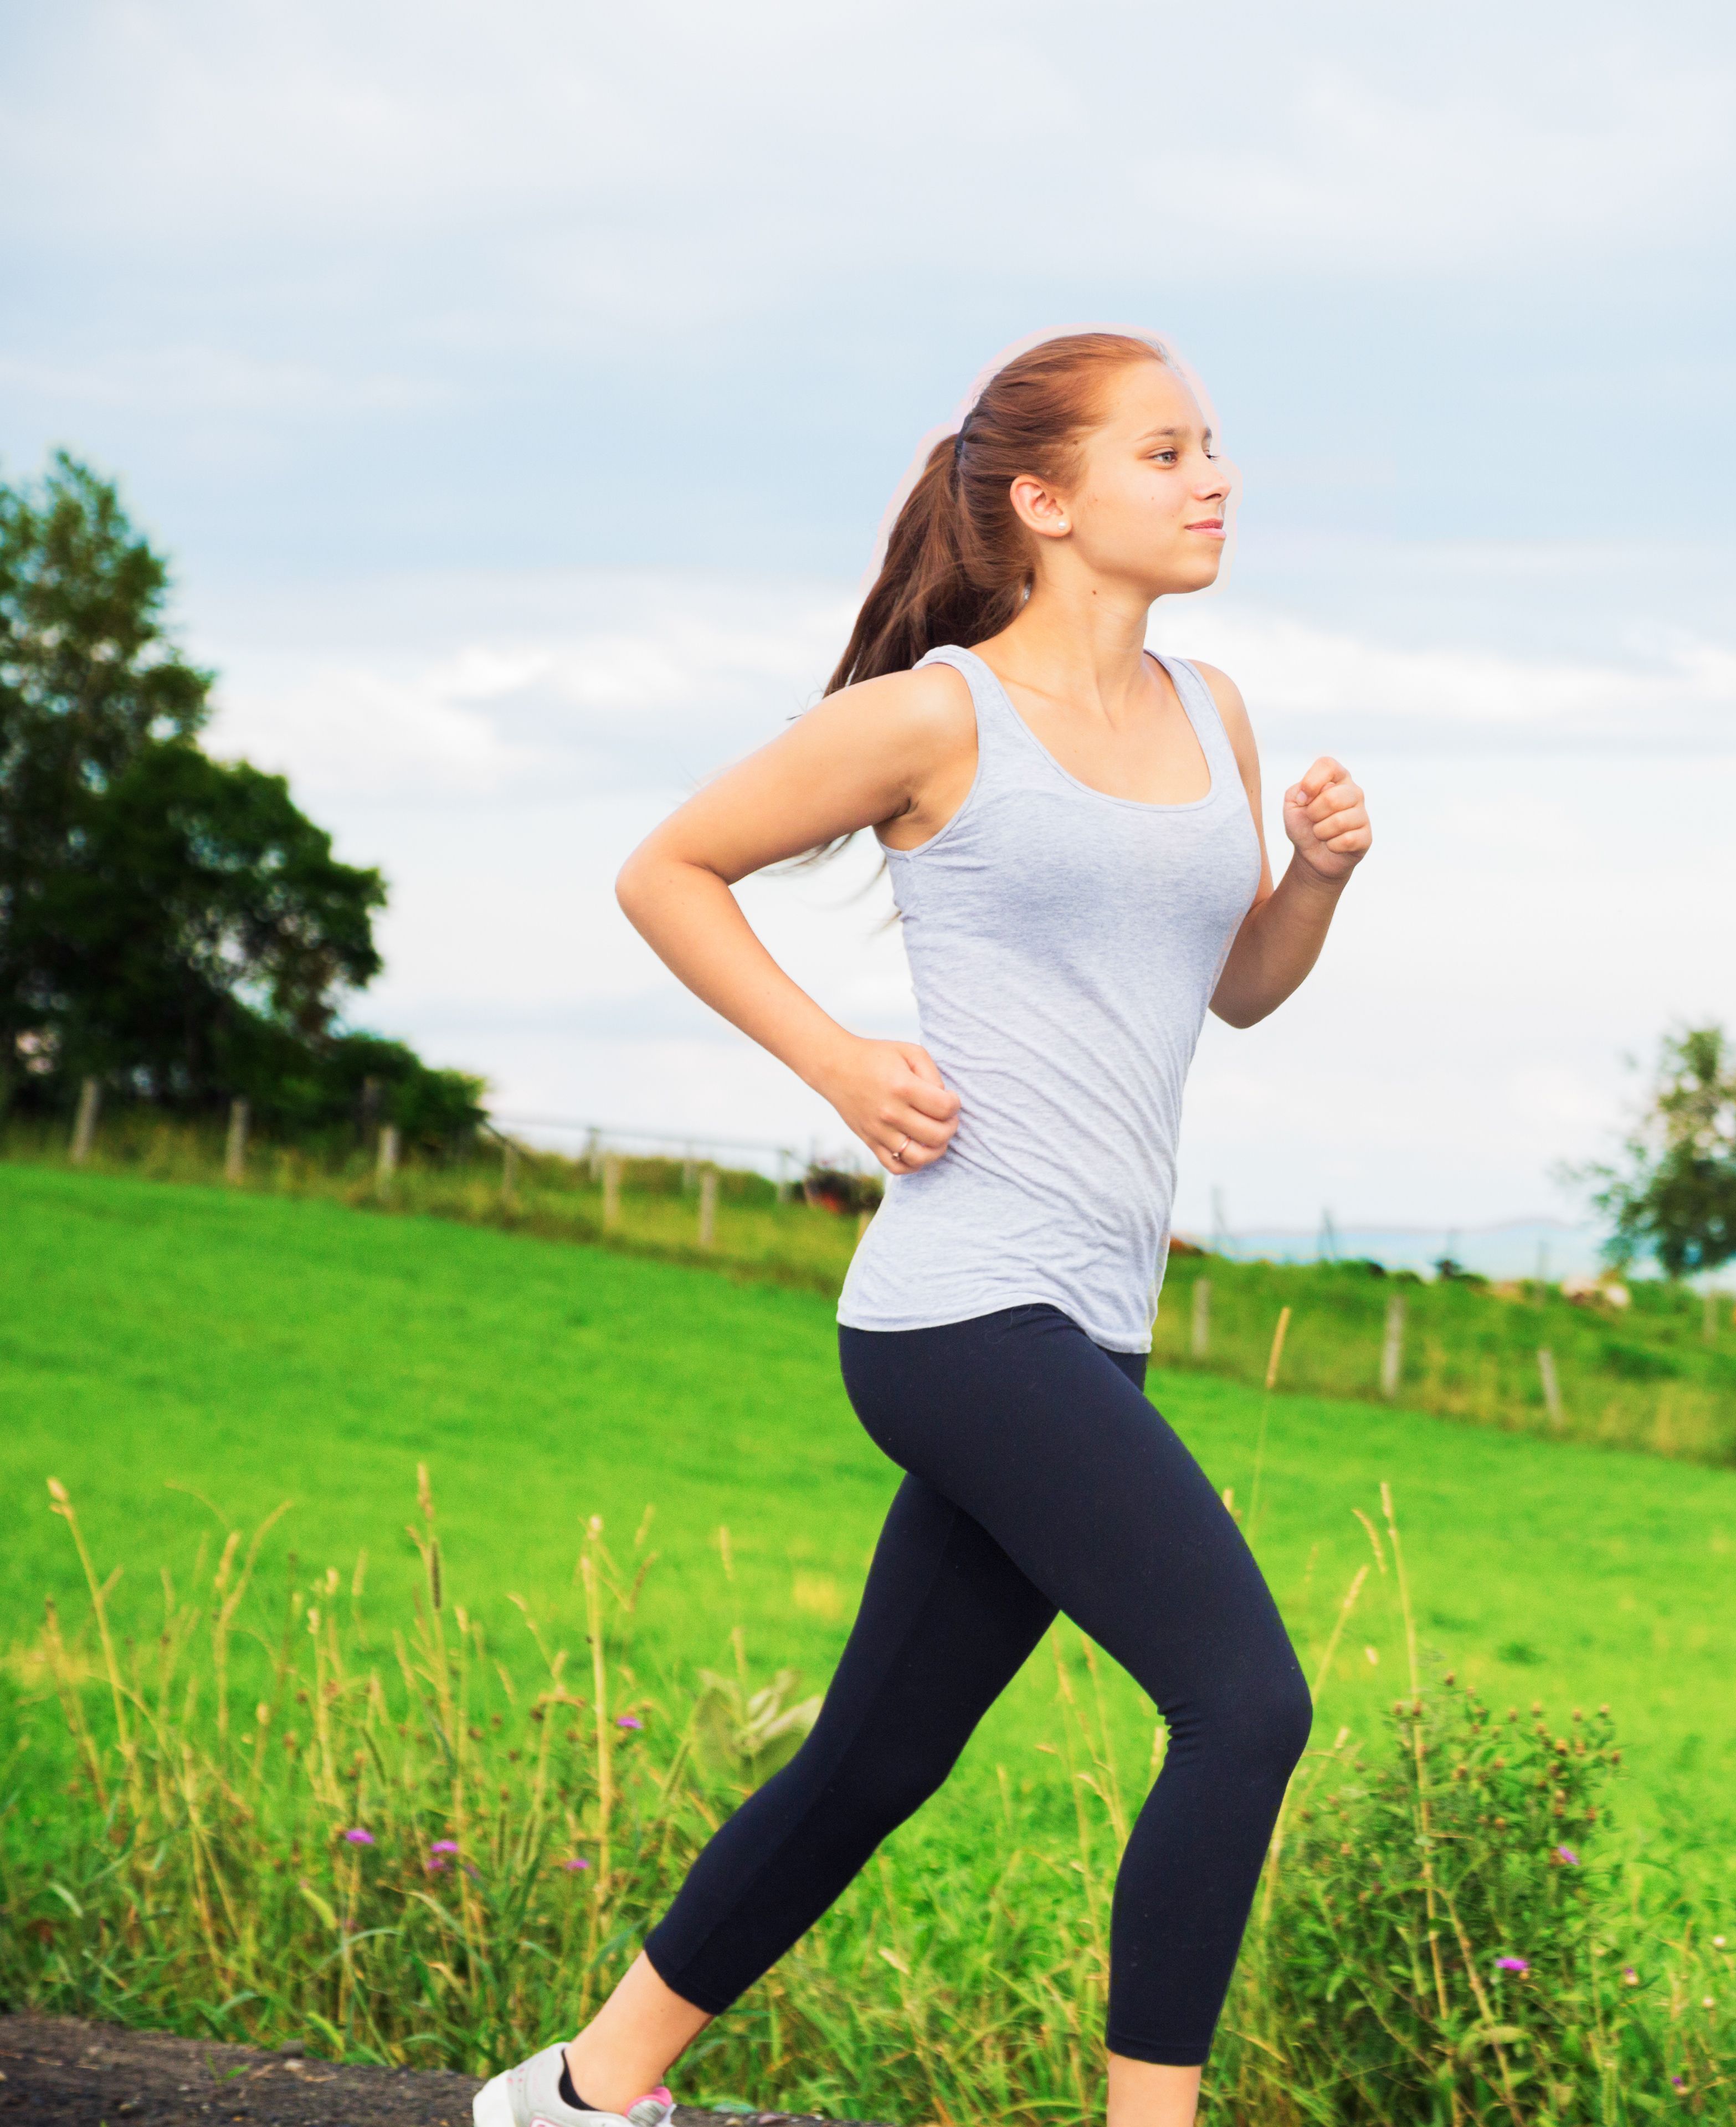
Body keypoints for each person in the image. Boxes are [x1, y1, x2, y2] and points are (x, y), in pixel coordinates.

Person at [476, 331, 1372, 2127]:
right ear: (1044, 502)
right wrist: (836, 1060)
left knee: (876, 1756)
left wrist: (1319, 880)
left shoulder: (1216, 714)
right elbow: (668, 867)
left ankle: (583, 2094)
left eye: (1214, 449)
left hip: (1087, 1320)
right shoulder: (936, 713)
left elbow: (1239, 995)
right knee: (1244, 1703)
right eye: (1166, 453)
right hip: (963, 1312)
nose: (1214, 480)